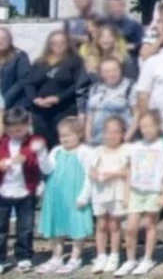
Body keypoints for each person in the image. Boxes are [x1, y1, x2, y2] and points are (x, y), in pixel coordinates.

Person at [36, 117, 93, 275]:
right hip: (56, 196)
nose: (64, 139)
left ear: (79, 134)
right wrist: (41, 155)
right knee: (56, 228)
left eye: (68, 135)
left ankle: (75, 257)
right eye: (62, 136)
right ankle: (56, 257)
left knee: (77, 226)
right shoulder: (56, 151)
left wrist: (84, 196)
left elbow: (90, 175)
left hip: (75, 196)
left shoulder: (85, 152)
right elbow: (47, 170)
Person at [120, 111, 163, 276]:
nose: (146, 130)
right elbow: (129, 171)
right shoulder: (135, 147)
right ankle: (130, 259)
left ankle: (148, 258)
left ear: (158, 127)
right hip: (136, 191)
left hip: (153, 191)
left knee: (150, 225)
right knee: (131, 227)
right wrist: (126, 194)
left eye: (150, 126)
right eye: (143, 127)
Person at [0, 108, 47, 273]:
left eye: (19, 130)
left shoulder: (35, 142)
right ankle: (1, 258)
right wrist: (4, 164)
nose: (15, 134)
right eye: (11, 130)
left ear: (27, 126)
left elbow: (41, 165)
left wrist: (26, 160)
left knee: (25, 227)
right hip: (3, 191)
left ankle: (24, 256)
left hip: (26, 190)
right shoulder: (3, 143)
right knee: (1, 227)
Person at [26, 30, 86, 147]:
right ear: (49, 44)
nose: (58, 45)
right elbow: (29, 83)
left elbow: (77, 85)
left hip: (63, 109)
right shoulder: (39, 62)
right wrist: (34, 99)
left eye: (62, 42)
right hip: (40, 111)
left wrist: (59, 98)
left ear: (68, 44)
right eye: (54, 43)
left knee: (61, 143)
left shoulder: (76, 61)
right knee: (41, 144)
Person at [87, 116, 130, 274]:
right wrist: (96, 174)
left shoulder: (126, 150)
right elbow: (90, 169)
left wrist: (115, 174)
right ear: (103, 133)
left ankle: (114, 254)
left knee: (114, 225)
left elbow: (130, 171)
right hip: (100, 192)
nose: (112, 136)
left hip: (117, 192)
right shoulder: (97, 151)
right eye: (109, 132)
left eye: (116, 132)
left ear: (122, 134)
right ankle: (101, 255)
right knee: (101, 224)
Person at [85, 57, 137, 146]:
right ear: (101, 73)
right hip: (96, 140)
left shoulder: (130, 87)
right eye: (106, 71)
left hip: (120, 141)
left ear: (120, 70)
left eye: (114, 70)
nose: (111, 74)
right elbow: (90, 116)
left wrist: (127, 137)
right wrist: (88, 137)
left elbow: (137, 114)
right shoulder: (94, 88)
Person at [0, 29, 32, 110]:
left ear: (10, 40)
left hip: (14, 104)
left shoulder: (20, 56)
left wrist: (5, 100)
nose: (1, 42)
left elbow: (23, 80)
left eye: (4, 39)